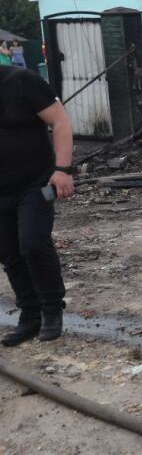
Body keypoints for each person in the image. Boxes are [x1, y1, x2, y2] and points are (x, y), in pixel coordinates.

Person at [0, 64, 74, 347]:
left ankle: (52, 308)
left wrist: (63, 169)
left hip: (37, 183)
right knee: (8, 251)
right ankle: (30, 316)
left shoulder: (21, 81)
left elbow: (60, 122)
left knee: (32, 241)